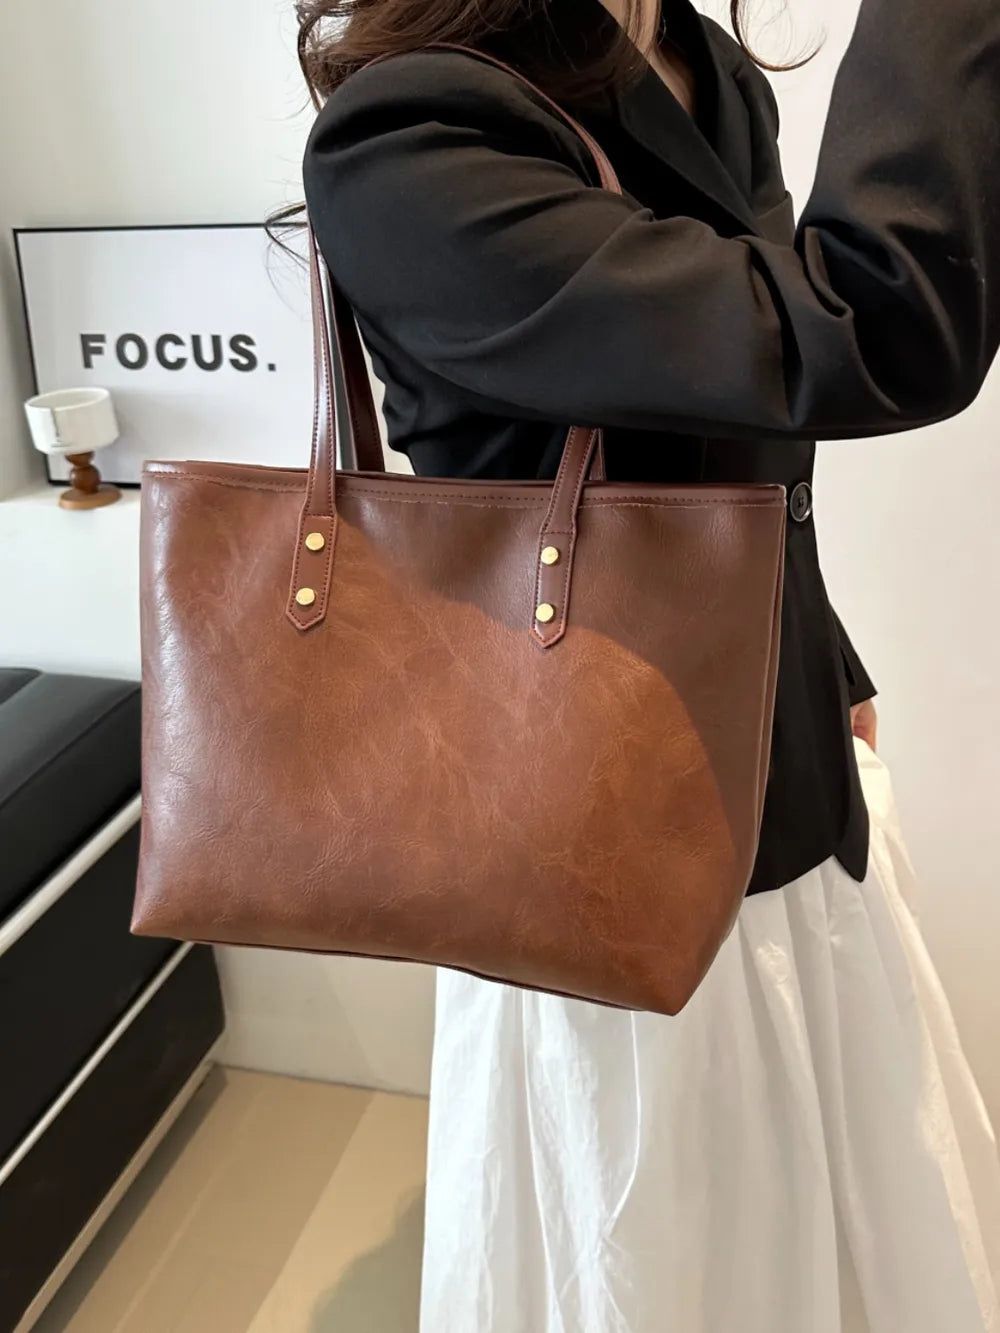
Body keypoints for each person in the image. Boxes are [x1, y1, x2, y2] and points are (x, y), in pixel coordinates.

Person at [297, 0, 1000, 1325]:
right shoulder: (414, 133)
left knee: (825, 1218)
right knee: (669, 1244)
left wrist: (826, 651)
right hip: (596, 856)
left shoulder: (702, 66)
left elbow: (735, 426)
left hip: (785, 782)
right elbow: (864, 327)